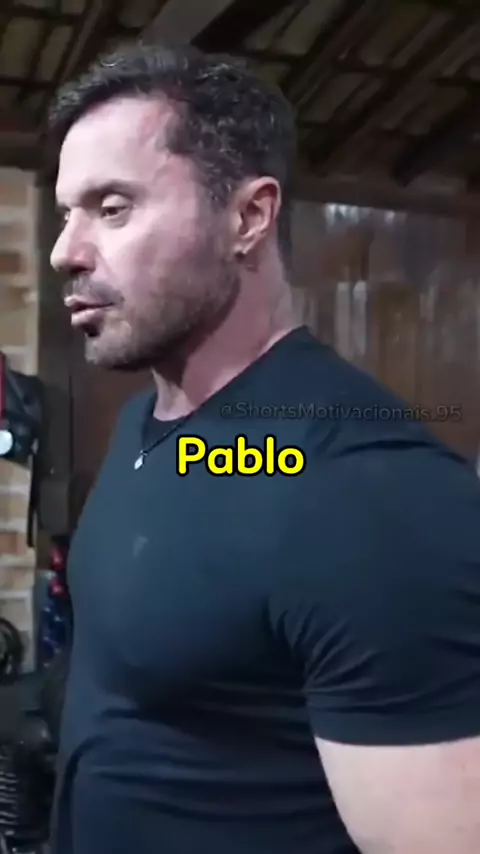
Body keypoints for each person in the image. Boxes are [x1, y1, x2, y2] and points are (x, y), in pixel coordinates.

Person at [47, 41, 480, 854]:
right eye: (68, 211)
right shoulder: (155, 424)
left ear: (247, 218)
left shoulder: (370, 494)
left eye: (112, 208)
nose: (64, 250)